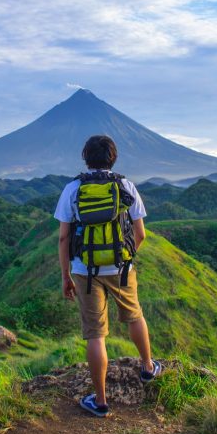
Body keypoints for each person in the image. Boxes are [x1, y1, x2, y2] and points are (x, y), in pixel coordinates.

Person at [53, 134, 161, 418]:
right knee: (134, 316)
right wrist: (124, 257)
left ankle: (100, 401)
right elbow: (140, 233)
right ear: (113, 157)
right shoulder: (125, 185)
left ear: (85, 158)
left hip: (84, 270)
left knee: (95, 334)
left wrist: (66, 275)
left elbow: (64, 238)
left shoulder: (73, 189)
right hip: (121, 268)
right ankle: (148, 368)